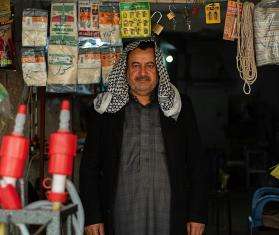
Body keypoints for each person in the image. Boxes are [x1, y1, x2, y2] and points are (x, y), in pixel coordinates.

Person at [79, 39, 208, 235]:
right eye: (136, 66)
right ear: (125, 70)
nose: (142, 73)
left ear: (158, 70)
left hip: (171, 215)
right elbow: (89, 168)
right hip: (121, 215)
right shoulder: (105, 111)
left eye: (149, 66)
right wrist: (93, 216)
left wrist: (197, 213)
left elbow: (197, 164)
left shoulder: (180, 108)